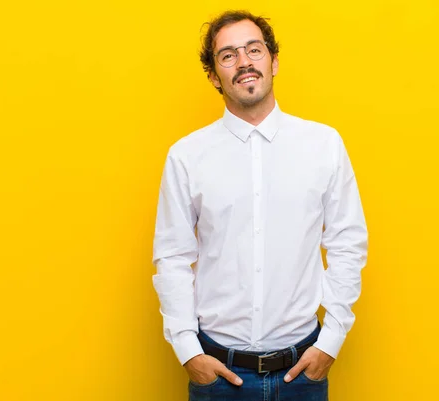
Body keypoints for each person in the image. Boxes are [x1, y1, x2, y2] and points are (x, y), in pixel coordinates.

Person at [152, 10, 368, 401]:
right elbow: (172, 256)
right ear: (214, 76)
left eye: (254, 49)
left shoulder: (323, 145)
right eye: (228, 55)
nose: (244, 62)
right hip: (218, 374)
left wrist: (330, 342)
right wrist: (188, 352)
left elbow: (347, 245)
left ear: (274, 61)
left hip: (303, 372)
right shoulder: (186, 156)